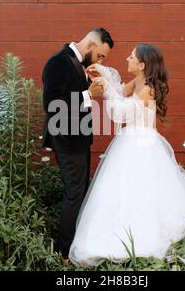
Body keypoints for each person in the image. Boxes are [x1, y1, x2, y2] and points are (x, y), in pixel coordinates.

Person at [68, 44, 185, 267]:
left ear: (142, 65)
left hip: (141, 145)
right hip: (128, 142)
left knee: (141, 191)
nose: (127, 59)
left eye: (131, 57)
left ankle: (139, 236)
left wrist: (106, 89)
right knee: (121, 191)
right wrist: (103, 74)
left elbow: (121, 112)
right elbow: (120, 90)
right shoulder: (137, 82)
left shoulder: (148, 88)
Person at [41, 28, 114, 263]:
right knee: (74, 193)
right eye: (101, 55)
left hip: (78, 139)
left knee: (80, 191)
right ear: (91, 45)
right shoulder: (58, 62)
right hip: (66, 140)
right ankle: (65, 253)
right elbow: (51, 104)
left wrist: (88, 85)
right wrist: (87, 94)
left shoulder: (76, 63)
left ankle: (75, 245)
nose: (101, 61)